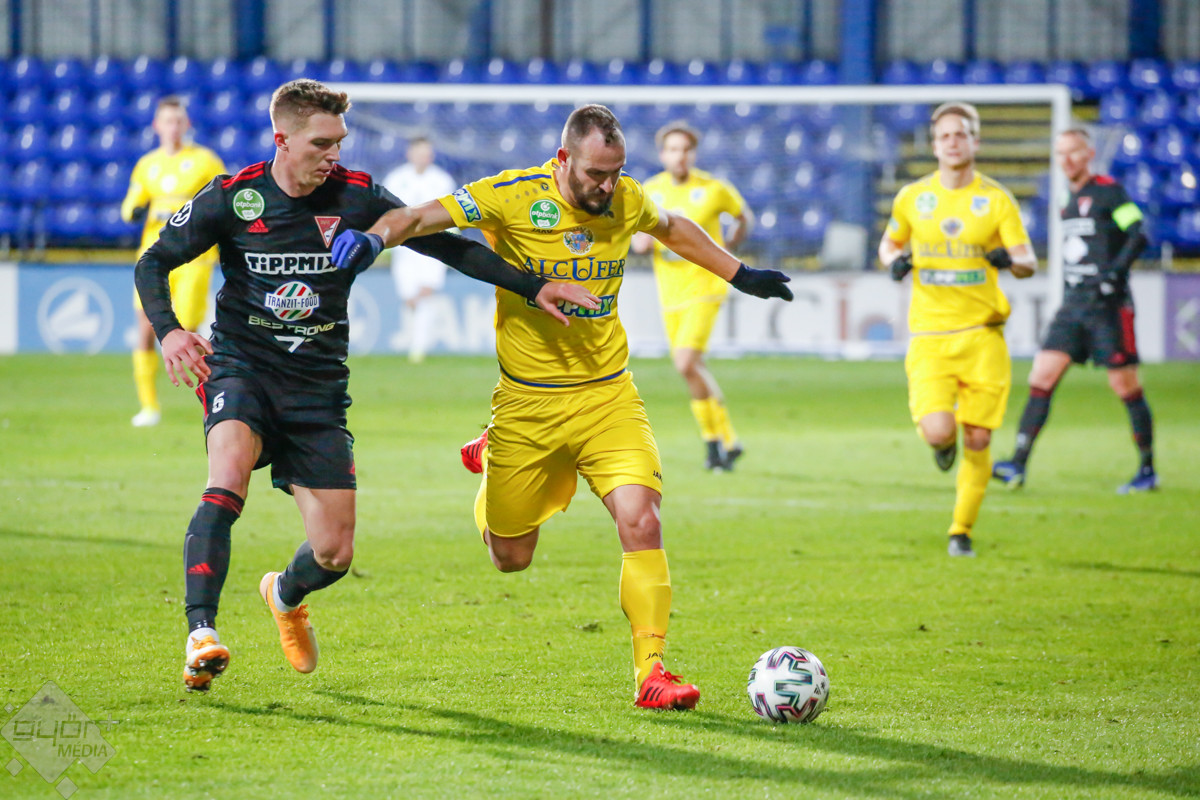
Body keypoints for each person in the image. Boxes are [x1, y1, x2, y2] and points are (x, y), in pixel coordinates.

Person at [134, 79, 596, 692]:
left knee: (334, 554)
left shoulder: (356, 196)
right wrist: (168, 331)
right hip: (243, 368)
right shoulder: (233, 196)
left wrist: (534, 287)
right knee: (227, 478)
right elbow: (153, 261)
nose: (334, 154)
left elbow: (446, 247)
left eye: (339, 142)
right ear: (282, 139)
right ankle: (201, 634)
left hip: (317, 388)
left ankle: (284, 593)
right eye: (321, 143)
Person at [333, 104, 793, 709]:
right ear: (563, 159)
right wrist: (375, 238)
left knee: (642, 519)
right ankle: (492, 452)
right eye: (596, 173)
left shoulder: (627, 197)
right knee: (511, 557)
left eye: (616, 172)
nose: (608, 186)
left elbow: (673, 227)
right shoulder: (511, 195)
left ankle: (651, 672)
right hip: (528, 404)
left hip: (608, 395)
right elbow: (420, 217)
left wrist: (739, 273)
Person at [878, 101, 1037, 557]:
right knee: (938, 431)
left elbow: (1027, 259)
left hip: (983, 335)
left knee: (980, 437)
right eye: (945, 136)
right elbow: (888, 244)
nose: (953, 142)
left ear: (975, 142)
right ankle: (942, 445)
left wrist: (1010, 261)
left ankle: (960, 530)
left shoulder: (996, 200)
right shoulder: (912, 198)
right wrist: (894, 262)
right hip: (930, 337)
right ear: (934, 145)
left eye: (961, 134)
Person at [993, 128, 1155, 494]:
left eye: (1073, 152)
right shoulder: (1067, 198)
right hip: (1073, 305)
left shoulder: (1109, 192)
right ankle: (1017, 464)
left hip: (1107, 306)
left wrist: (1114, 274)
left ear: (1089, 154)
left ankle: (1147, 470)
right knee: (1042, 376)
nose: (1066, 160)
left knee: (1125, 385)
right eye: (1060, 153)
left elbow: (1138, 233)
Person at [633, 121, 755, 471]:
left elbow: (743, 216)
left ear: (694, 153)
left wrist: (730, 244)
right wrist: (642, 238)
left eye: (685, 149)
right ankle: (721, 443)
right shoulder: (650, 190)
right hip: (670, 293)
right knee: (692, 369)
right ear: (662, 154)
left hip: (706, 287)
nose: (680, 156)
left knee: (686, 363)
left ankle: (719, 442)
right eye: (673, 149)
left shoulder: (713, 188)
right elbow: (639, 241)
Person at [121, 96, 226, 427]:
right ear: (157, 126)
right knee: (145, 328)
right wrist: (135, 210)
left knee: (189, 332)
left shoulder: (206, 161)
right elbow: (130, 204)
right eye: (168, 121)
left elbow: (225, 199)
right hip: (153, 256)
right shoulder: (147, 165)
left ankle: (216, 400)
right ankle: (149, 406)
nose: (174, 127)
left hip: (194, 258)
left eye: (179, 121)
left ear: (187, 124)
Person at [382, 136, 458, 362]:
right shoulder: (396, 179)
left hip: (434, 242)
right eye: (419, 152)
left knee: (426, 292)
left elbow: (451, 214)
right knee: (409, 297)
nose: (423, 157)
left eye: (426, 153)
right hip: (404, 246)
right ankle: (413, 339)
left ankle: (419, 348)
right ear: (410, 154)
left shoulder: (442, 181)